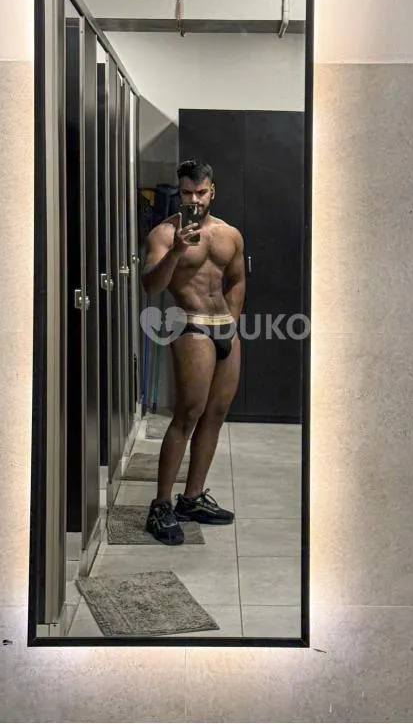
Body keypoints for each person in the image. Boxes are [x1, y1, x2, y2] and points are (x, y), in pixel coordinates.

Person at [141, 159, 246, 545]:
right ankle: (161, 505)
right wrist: (175, 252)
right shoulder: (164, 234)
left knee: (215, 415)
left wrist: (232, 322)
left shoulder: (229, 234)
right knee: (187, 415)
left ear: (212, 191)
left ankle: (192, 498)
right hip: (190, 325)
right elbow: (151, 286)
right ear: (179, 192)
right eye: (187, 193)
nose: (195, 200)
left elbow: (237, 278)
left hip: (225, 330)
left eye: (201, 193)